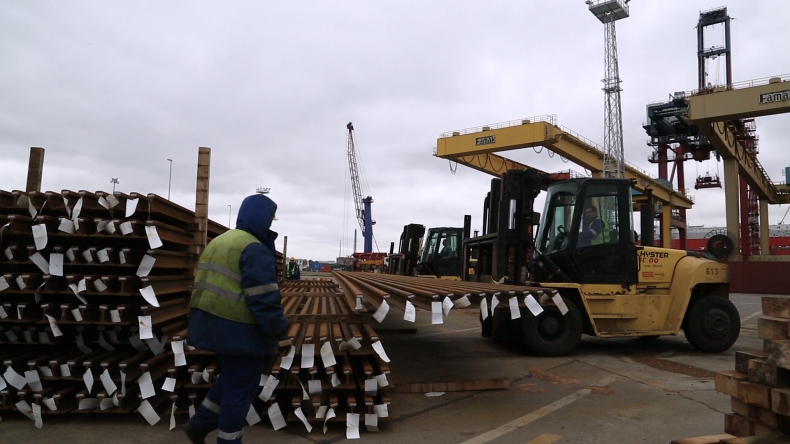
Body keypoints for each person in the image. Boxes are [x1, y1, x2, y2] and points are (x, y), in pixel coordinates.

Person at [184, 193, 291, 444]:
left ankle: (199, 425)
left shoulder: (220, 241)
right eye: (269, 220)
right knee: (241, 387)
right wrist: (279, 331)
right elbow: (263, 298)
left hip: (208, 324)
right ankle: (228, 440)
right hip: (237, 329)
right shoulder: (253, 247)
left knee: (231, 378)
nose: (270, 225)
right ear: (262, 218)